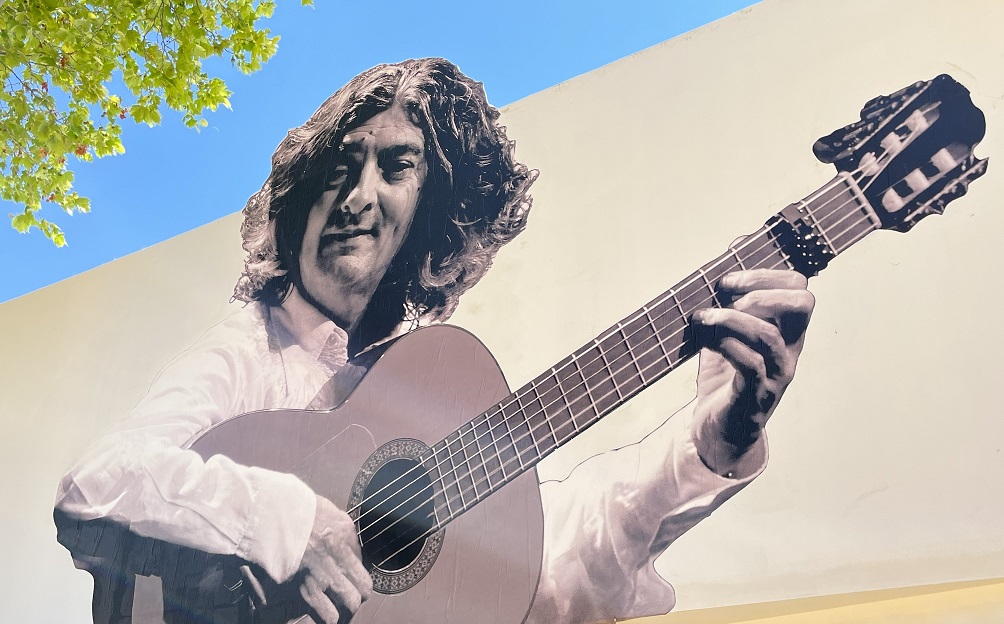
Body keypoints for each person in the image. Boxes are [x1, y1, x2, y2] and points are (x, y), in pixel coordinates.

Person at [54, 58, 814, 624]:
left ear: (438, 209)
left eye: (395, 167)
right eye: (340, 166)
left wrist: (715, 442)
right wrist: (288, 522)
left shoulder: (430, 381)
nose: (356, 196)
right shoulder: (253, 345)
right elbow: (97, 486)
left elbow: (553, 572)